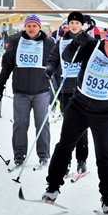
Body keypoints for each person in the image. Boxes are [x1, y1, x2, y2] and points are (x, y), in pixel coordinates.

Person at [41, 21, 108, 215]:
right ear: (105, 40)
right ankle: (53, 187)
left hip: (106, 112)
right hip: (79, 105)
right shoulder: (92, 46)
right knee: (64, 145)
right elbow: (68, 58)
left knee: (106, 155)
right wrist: (76, 43)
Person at [0, 14, 55, 167]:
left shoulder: (48, 43)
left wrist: (56, 80)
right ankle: (19, 155)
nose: (31, 28)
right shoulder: (16, 41)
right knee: (20, 124)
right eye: (29, 25)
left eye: (34, 26)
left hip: (41, 91)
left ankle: (43, 155)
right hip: (21, 91)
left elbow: (56, 63)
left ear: (39, 27)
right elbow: (7, 64)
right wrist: (1, 84)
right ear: (25, 27)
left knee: (42, 123)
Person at [45, 11, 89, 175]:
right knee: (68, 126)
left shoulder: (89, 41)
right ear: (68, 25)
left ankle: (82, 159)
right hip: (67, 87)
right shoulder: (62, 41)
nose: (74, 25)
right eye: (72, 23)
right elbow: (53, 58)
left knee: (82, 126)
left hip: (84, 89)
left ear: (82, 25)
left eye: (77, 23)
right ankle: (66, 160)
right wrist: (50, 68)